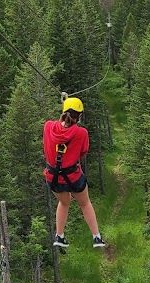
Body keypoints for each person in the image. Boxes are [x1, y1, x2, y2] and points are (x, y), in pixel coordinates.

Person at [43, 96, 106, 249]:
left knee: (64, 202)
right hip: (73, 176)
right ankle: (96, 237)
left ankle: (60, 235)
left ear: (64, 112)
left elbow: (55, 131)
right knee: (85, 203)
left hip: (54, 177)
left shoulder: (48, 126)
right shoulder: (81, 133)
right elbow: (83, 152)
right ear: (79, 116)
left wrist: (65, 103)